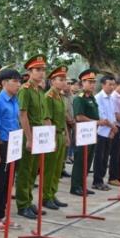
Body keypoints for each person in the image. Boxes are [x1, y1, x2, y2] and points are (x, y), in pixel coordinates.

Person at [15, 55, 51, 220]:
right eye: (37, 70)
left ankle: (29, 201)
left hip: (39, 133)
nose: (41, 73)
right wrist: (29, 138)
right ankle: (22, 204)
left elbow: (43, 116)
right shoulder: (25, 90)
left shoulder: (39, 91)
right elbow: (23, 115)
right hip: (27, 133)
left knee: (33, 171)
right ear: (29, 71)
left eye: (43, 70)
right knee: (25, 170)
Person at [0, 68, 23, 231]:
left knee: (8, 182)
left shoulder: (15, 100)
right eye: (15, 81)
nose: (18, 85)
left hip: (13, 145)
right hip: (1, 144)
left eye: (19, 81)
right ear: (4, 83)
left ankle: (3, 215)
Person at [42, 66, 70, 210]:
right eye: (61, 79)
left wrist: (66, 135)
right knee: (49, 168)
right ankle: (45, 197)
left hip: (60, 134)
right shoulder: (49, 97)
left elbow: (63, 117)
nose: (64, 82)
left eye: (65, 79)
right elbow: (47, 119)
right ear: (52, 81)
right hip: (53, 134)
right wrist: (51, 139)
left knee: (57, 168)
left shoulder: (60, 96)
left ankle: (52, 194)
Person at [70, 70, 101, 196]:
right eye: (90, 82)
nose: (92, 85)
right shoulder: (79, 99)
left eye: (94, 82)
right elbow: (79, 117)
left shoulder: (92, 98)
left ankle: (83, 184)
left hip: (91, 133)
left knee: (88, 160)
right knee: (80, 161)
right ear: (83, 82)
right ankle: (75, 186)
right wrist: (97, 122)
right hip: (82, 134)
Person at [93, 74, 118, 191]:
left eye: (113, 85)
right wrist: (113, 127)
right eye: (110, 84)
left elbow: (112, 115)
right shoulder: (98, 98)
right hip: (101, 132)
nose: (112, 87)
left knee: (105, 158)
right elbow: (102, 116)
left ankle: (101, 179)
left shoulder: (111, 98)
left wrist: (113, 128)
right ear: (103, 85)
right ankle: (97, 181)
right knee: (99, 157)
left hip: (109, 132)